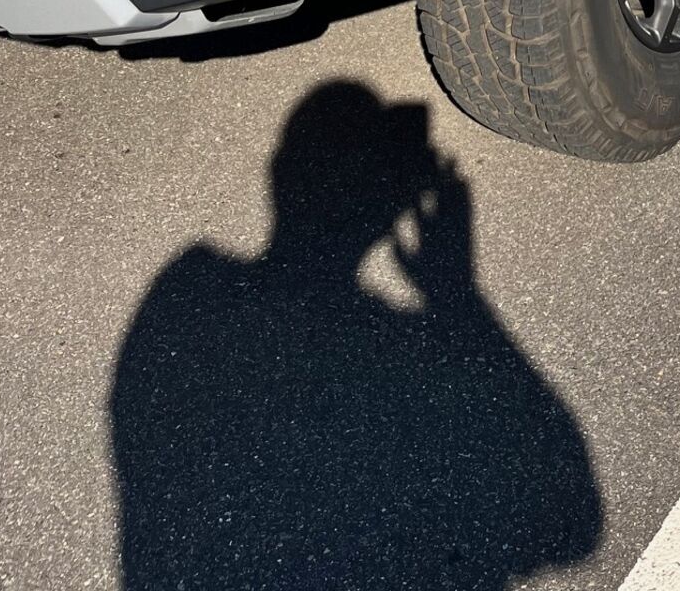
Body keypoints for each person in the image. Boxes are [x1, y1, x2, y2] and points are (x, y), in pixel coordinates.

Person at [109, 80, 602, 588]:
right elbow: (573, 523)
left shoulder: (185, 294)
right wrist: (458, 296)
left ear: (280, 177)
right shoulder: (389, 350)